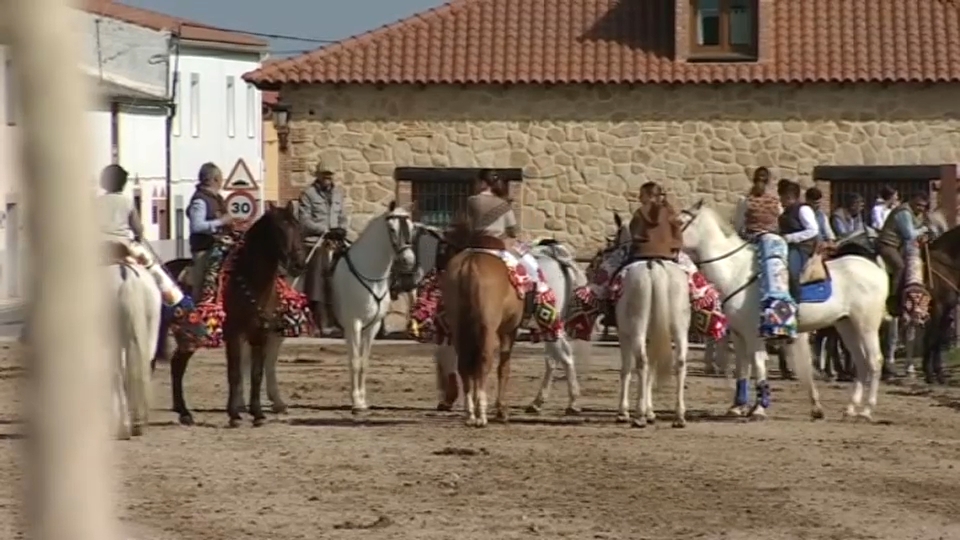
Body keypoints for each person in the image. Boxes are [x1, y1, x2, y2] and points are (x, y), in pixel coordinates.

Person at [297, 165, 348, 333]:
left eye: (330, 175)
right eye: (324, 175)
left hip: (336, 242)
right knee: (319, 276)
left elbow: (342, 216)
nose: (328, 178)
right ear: (318, 175)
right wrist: (323, 230)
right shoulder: (308, 195)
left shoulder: (338, 194)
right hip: (316, 243)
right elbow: (304, 221)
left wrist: (341, 229)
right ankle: (321, 320)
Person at [877, 192, 930, 315]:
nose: (920, 208)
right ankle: (893, 299)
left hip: (900, 246)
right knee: (899, 266)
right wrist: (924, 229)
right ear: (911, 200)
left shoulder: (918, 214)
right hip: (888, 244)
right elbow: (909, 234)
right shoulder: (903, 212)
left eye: (923, 206)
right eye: (918, 205)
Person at [187, 162, 233, 297]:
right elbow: (196, 226)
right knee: (201, 286)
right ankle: (197, 310)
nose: (221, 182)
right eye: (220, 179)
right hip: (204, 249)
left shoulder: (218, 199)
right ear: (214, 180)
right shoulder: (200, 200)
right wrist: (221, 222)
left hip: (221, 248)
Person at [777, 180, 821, 297]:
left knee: (792, 271)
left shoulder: (803, 210)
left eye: (782, 197)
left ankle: (796, 301)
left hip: (801, 247)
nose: (780, 200)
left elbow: (813, 230)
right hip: (788, 245)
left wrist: (790, 238)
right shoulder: (785, 212)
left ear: (789, 197)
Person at [629, 182, 682, 260]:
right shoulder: (669, 211)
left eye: (642, 195)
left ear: (650, 196)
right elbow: (677, 232)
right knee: (691, 268)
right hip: (666, 253)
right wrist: (674, 246)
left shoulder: (639, 212)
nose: (639, 198)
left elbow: (634, 233)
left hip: (642, 252)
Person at [98, 164, 146, 248]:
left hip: (100, 244)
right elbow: (138, 228)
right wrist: (138, 238)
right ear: (123, 183)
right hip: (122, 245)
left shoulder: (97, 202)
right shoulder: (127, 202)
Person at [734, 166, 781, 239]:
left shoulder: (774, 201)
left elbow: (738, 223)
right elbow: (739, 223)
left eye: (763, 177)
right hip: (760, 235)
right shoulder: (746, 200)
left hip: (762, 236)